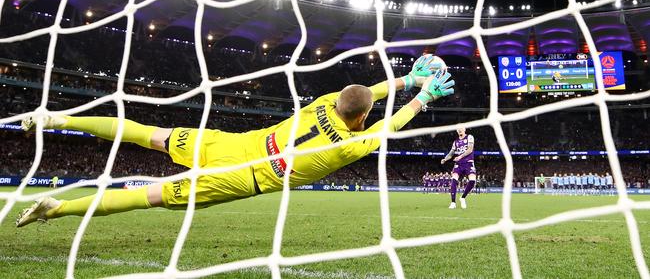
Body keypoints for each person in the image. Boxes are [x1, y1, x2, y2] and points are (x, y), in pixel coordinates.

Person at [16, 58, 455, 227]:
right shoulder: (346, 145)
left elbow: (366, 94)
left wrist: (406, 78)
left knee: (151, 134)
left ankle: (56, 116)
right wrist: (422, 95)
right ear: (359, 118)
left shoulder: (324, 102)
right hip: (239, 178)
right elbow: (392, 123)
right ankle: (60, 208)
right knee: (147, 196)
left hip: (230, 144)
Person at [441, 127, 475, 209]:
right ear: (456, 131)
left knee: (472, 181)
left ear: (464, 129)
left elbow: (470, 150)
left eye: (461, 128)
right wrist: (445, 159)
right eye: (458, 129)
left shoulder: (469, 137)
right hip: (459, 164)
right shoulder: (455, 142)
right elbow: (451, 153)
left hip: (469, 163)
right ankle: (453, 202)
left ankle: (462, 198)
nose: (459, 130)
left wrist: (460, 156)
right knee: (454, 180)